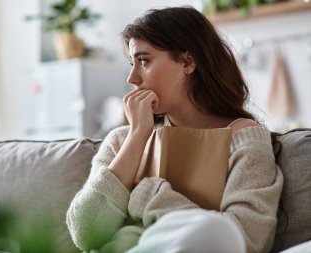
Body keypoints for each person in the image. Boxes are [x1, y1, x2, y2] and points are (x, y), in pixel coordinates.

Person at [66, 6, 283, 253]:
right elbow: (84, 233)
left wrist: (146, 194)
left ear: (187, 62)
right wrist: (137, 136)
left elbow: (245, 241)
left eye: (144, 61)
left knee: (216, 231)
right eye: (132, 63)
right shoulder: (121, 140)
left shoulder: (244, 139)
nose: (132, 78)